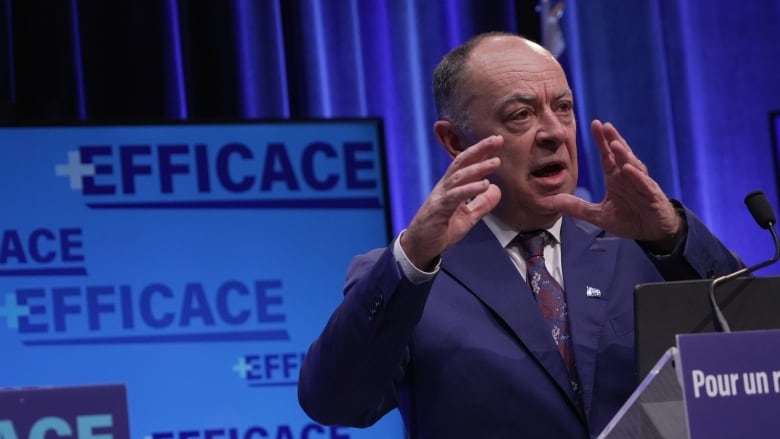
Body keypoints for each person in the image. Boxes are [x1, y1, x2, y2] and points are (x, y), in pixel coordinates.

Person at [297, 32, 743, 438]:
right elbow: (335, 401)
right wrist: (413, 256)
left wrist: (672, 235)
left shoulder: (646, 247)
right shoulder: (409, 277)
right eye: (521, 114)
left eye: (563, 107)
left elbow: (756, 347)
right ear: (455, 141)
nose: (552, 132)